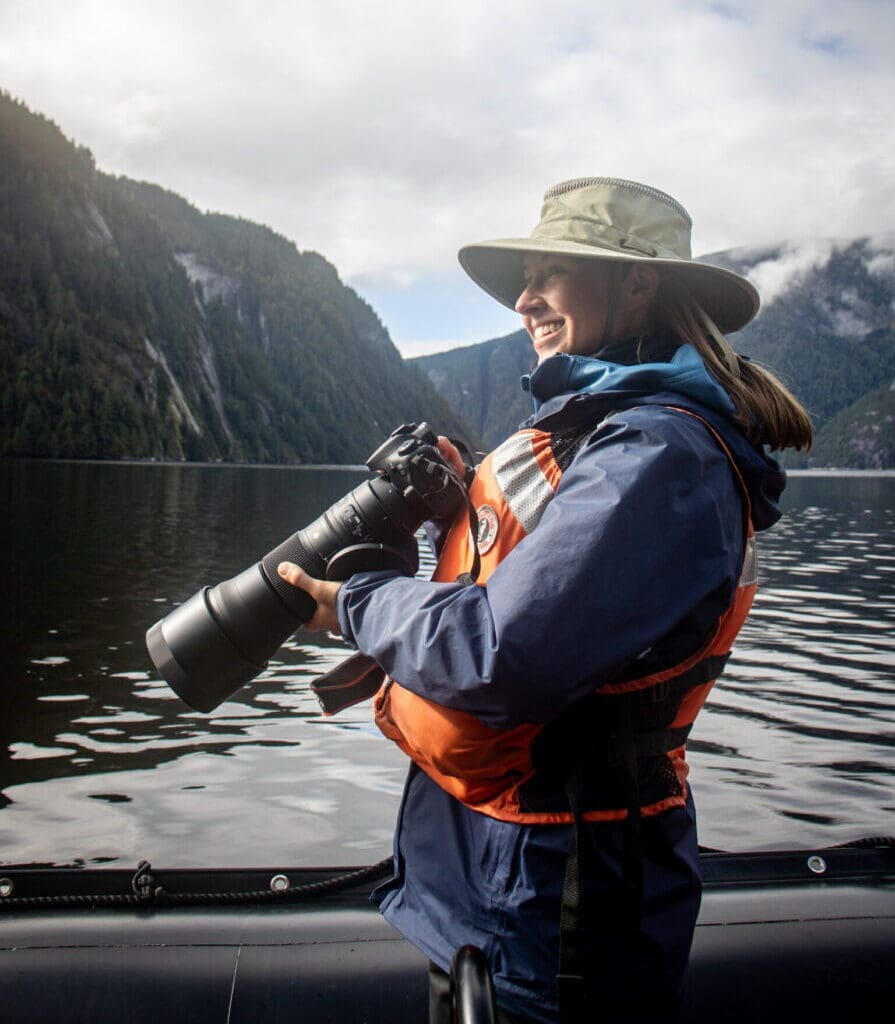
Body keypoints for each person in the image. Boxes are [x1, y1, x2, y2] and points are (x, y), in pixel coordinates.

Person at [277, 177, 813, 1023]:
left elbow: (499, 652)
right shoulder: (601, 433)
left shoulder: (657, 453)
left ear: (636, 283)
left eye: (551, 273)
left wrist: (356, 601)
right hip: (486, 871)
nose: (524, 300)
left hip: (556, 894)